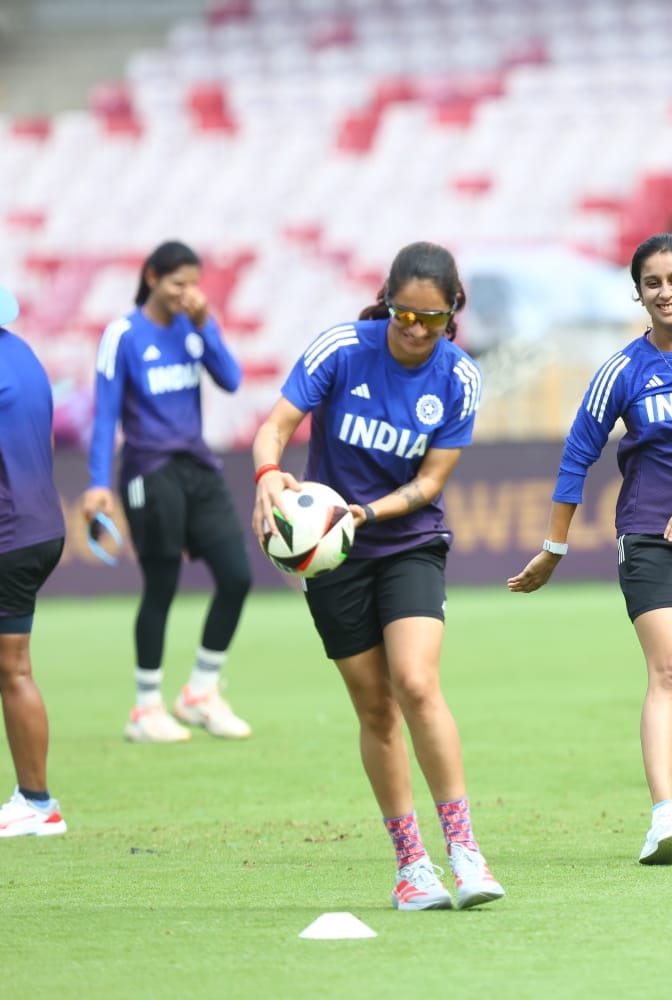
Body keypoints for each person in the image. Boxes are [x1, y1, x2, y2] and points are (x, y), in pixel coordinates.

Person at [250, 241, 504, 910]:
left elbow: (429, 482)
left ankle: (465, 852)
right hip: (331, 556)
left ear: (453, 312)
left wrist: (363, 511)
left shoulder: (459, 377)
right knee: (374, 707)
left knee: (416, 683)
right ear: (386, 301)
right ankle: (411, 866)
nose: (414, 329)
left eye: (429, 317)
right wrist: (267, 478)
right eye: (402, 314)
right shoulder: (341, 348)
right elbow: (274, 427)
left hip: (407, 541)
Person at [508, 233, 672, 865]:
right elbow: (577, 454)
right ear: (640, 293)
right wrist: (554, 547)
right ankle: (661, 815)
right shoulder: (622, 370)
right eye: (653, 283)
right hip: (649, 536)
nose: (666, 292)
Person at [81, 241, 253, 744]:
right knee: (161, 586)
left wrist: (207, 324)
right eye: (178, 282)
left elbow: (232, 379)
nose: (187, 293)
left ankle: (200, 691)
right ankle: (145, 708)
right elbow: (105, 415)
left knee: (237, 575)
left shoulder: (192, 327)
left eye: (193, 283)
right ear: (152, 277)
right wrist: (96, 483)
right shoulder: (123, 334)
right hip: (148, 470)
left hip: (197, 466)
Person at [0, 284, 69, 837]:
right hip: (38, 528)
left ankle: (38, 800)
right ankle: (36, 800)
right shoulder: (20, 353)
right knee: (14, 668)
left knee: (14, 669)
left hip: (9, 535)